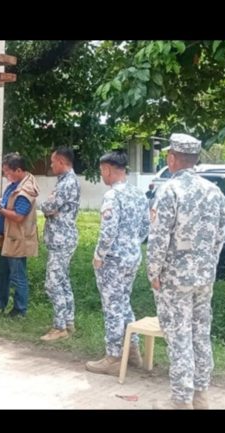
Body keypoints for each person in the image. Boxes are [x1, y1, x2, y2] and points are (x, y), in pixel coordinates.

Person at [147, 133, 225, 409]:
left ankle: (181, 400)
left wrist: (153, 273)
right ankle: (201, 395)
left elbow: (159, 238)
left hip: (174, 279)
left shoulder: (169, 190)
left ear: (172, 158)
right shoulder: (213, 191)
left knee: (179, 336)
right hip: (204, 277)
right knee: (200, 332)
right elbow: (220, 235)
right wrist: (209, 267)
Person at [85, 150, 149, 374]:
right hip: (132, 255)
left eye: (102, 170)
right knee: (124, 302)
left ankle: (113, 357)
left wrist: (99, 255)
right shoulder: (139, 194)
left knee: (112, 306)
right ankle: (132, 350)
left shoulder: (113, 196)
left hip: (112, 259)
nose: (102, 175)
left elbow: (108, 231)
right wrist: (131, 243)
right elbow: (145, 228)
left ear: (109, 169)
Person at [0, 153, 40, 317]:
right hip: (7, 237)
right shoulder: (16, 184)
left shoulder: (25, 190)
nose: (5, 175)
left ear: (18, 170)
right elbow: (9, 202)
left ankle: (19, 310)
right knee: (3, 273)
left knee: (17, 276)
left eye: (7, 172)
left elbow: (18, 216)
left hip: (17, 238)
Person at [39, 146, 80, 341]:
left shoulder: (67, 183)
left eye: (53, 161)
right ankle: (69, 322)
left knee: (52, 283)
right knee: (62, 281)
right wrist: (50, 208)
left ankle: (59, 326)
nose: (50, 164)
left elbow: (48, 206)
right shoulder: (65, 181)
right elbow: (51, 209)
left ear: (62, 163)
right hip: (62, 238)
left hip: (61, 239)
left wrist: (47, 207)